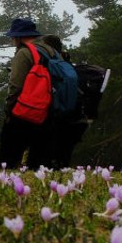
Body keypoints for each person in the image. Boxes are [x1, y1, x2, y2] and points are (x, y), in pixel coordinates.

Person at [0, 18, 57, 169]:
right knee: (38, 163)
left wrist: (9, 110)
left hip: (26, 113)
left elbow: (16, 86)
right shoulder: (51, 52)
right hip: (48, 113)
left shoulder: (24, 53)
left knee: (7, 161)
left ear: (18, 37)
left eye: (12, 37)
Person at [39, 34, 89, 168]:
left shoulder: (49, 64)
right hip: (77, 118)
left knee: (47, 161)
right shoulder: (69, 65)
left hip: (56, 117)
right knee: (63, 160)